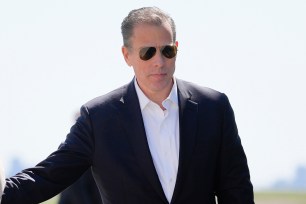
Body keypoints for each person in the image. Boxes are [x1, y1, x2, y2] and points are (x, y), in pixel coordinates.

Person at [1, 6, 254, 204]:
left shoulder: (214, 108)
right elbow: (48, 176)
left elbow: (237, 189)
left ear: (176, 49)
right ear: (127, 55)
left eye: (167, 51)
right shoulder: (98, 118)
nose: (159, 61)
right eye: (147, 52)